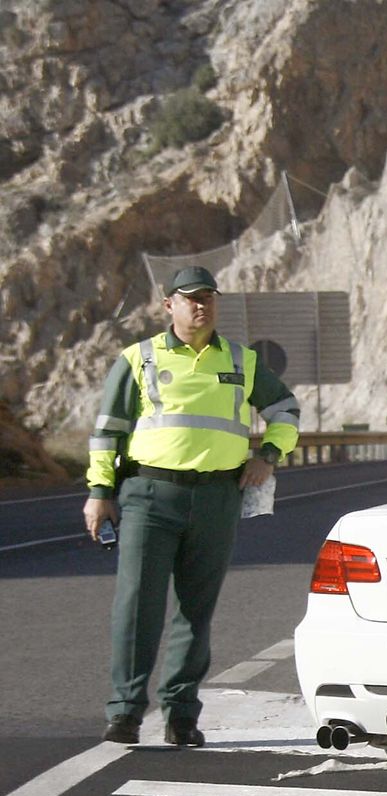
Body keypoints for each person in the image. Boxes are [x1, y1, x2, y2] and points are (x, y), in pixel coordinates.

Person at [84, 266, 300, 747]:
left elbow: (285, 409)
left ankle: (181, 714)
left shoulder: (241, 361)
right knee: (138, 606)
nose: (200, 305)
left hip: (217, 498)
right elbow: (108, 430)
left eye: (208, 297)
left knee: (195, 611)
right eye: (189, 298)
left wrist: (268, 454)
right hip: (149, 496)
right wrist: (100, 492)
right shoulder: (139, 358)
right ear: (169, 306)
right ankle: (125, 712)